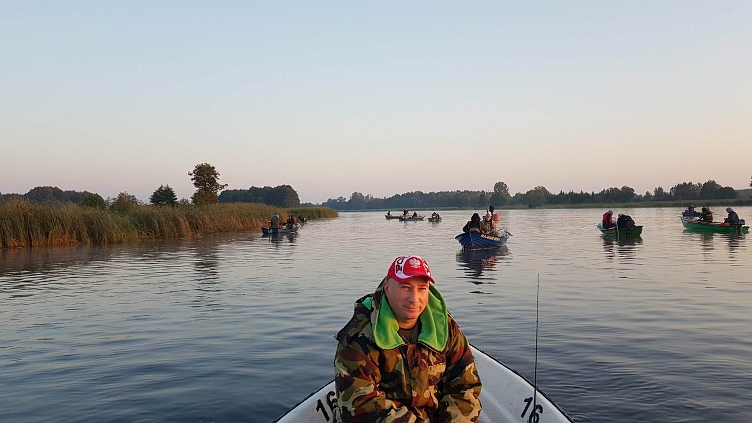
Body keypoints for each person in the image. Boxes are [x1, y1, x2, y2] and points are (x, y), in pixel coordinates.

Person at [334, 255, 482, 422]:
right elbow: (360, 405)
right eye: (405, 287)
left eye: (422, 289)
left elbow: (465, 388)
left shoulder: (445, 329)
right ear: (387, 288)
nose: (414, 299)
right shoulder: (360, 336)